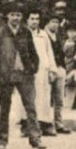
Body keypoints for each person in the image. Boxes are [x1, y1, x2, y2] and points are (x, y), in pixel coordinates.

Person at [0, 2, 46, 149]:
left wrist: (33, 68)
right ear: (7, 16)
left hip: (24, 75)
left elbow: (34, 54)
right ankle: (2, 140)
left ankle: (35, 138)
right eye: (13, 14)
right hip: (7, 76)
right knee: (4, 108)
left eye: (18, 15)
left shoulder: (25, 32)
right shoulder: (0, 33)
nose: (15, 18)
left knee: (31, 107)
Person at [26, 8, 57, 136]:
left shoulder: (43, 34)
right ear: (27, 20)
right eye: (32, 19)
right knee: (28, 98)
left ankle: (45, 125)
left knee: (43, 98)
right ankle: (26, 126)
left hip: (42, 71)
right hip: (28, 70)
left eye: (37, 19)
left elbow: (49, 53)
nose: (34, 21)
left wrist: (52, 70)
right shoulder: (23, 33)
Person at [43, 7, 72, 134]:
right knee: (46, 98)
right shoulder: (42, 35)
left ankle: (59, 123)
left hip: (60, 67)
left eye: (57, 22)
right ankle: (46, 124)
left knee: (59, 99)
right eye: (52, 21)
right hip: (48, 69)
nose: (55, 24)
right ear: (47, 23)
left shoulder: (59, 35)